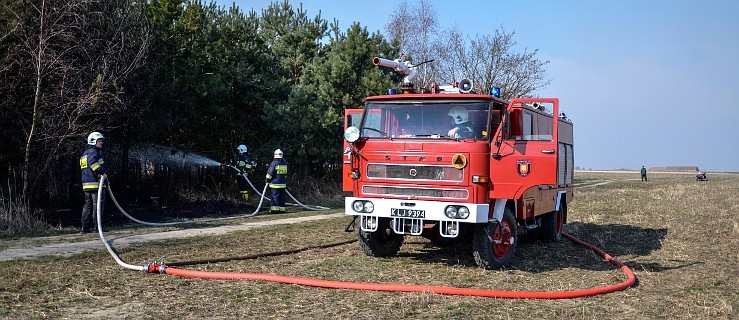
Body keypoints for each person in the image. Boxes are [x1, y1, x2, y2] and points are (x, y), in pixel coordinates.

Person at [79, 132, 107, 233]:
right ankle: (97, 227)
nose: (101, 143)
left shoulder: (84, 153)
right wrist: (102, 173)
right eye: (99, 141)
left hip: (86, 185)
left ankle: (84, 227)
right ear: (93, 141)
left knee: (87, 206)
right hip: (96, 185)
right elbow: (93, 163)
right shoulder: (94, 152)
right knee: (98, 205)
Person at [265, 149, 288, 213]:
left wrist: (267, 180)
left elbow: (270, 173)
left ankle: (275, 210)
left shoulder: (274, 163)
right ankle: (282, 209)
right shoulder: (285, 163)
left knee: (275, 197)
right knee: (282, 197)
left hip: (275, 184)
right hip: (283, 184)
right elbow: (285, 174)